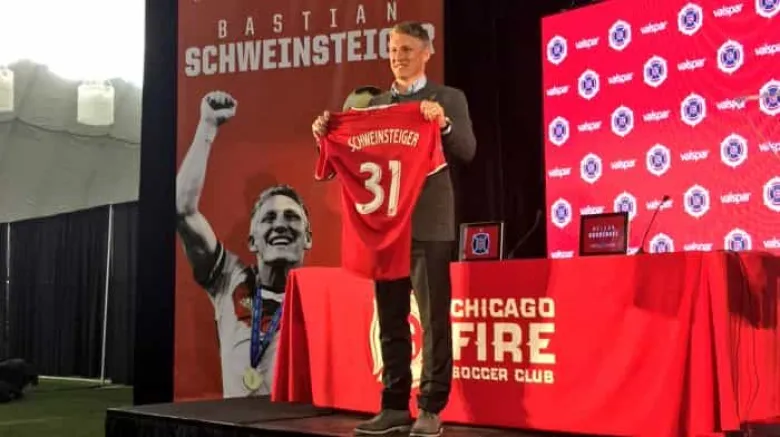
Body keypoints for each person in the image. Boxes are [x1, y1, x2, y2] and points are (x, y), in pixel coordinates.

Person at [312, 22, 477, 437]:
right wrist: (326, 136)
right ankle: (393, 405)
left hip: (428, 223)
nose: (397, 56)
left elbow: (467, 151)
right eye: (392, 49)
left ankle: (431, 407)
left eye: (406, 49)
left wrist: (443, 125)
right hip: (385, 227)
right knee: (390, 317)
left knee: (434, 318)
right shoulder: (375, 105)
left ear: (427, 52)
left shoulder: (447, 98)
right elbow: (345, 162)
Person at [177, 91, 313, 398]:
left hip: (298, 421)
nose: (280, 224)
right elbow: (183, 211)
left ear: (308, 237)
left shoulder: (323, 298)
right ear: (252, 241)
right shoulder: (229, 279)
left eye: (292, 217)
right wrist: (207, 127)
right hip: (235, 422)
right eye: (269, 218)